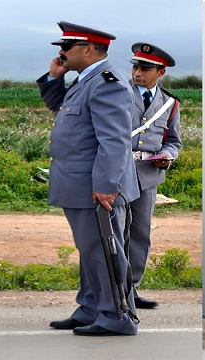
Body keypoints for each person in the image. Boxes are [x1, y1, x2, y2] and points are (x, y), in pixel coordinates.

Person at [36, 21, 139, 336]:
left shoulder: (106, 82)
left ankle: (118, 316)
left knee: (103, 249)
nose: (62, 53)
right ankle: (92, 307)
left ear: (89, 49)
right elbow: (61, 107)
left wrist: (106, 186)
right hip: (80, 183)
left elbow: (115, 140)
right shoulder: (86, 81)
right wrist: (55, 77)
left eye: (66, 48)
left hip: (97, 186)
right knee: (90, 250)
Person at [129, 43, 182, 309]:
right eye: (135, 67)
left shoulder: (170, 104)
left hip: (148, 176)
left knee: (140, 234)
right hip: (116, 174)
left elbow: (174, 141)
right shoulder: (118, 95)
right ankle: (109, 292)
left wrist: (168, 155)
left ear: (160, 72)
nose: (137, 73)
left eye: (145, 69)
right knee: (112, 234)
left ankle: (132, 289)